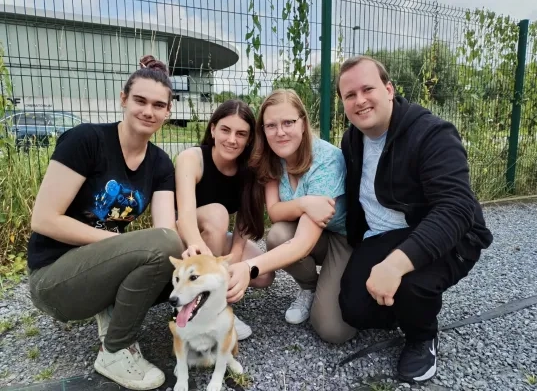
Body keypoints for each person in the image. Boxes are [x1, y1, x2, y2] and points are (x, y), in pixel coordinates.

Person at [26, 55, 183, 391]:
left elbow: (167, 230)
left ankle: (117, 316)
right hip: (55, 278)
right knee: (164, 246)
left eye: (158, 105)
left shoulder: (159, 163)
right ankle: (114, 351)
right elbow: (43, 218)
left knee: (176, 260)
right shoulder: (86, 141)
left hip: (99, 267)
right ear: (123, 99)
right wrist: (120, 246)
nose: (148, 111)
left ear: (168, 112)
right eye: (140, 100)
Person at [335, 55, 494, 383]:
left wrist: (395, 267)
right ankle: (404, 302)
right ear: (343, 103)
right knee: (353, 309)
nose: (360, 100)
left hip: (445, 233)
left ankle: (422, 335)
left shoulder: (432, 134)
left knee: (410, 284)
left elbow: (456, 208)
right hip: (384, 235)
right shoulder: (352, 139)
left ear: (389, 89)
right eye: (350, 95)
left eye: (368, 89)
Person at [219, 88, 357, 345]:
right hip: (314, 236)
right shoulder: (273, 159)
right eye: (271, 125)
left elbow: (303, 242)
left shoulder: (326, 160)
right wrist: (305, 202)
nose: (280, 132)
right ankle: (311, 287)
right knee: (279, 234)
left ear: (303, 122)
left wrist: (248, 267)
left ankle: (347, 284)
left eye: (288, 123)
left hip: (344, 239)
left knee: (332, 330)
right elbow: (274, 211)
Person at [174, 99, 274, 340]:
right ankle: (213, 309)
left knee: (263, 275)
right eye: (225, 130)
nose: (232, 140)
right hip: (185, 239)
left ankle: (211, 295)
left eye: (241, 134)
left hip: (214, 238)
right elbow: (184, 218)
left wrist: (235, 264)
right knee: (218, 213)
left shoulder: (249, 169)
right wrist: (211, 264)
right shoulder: (192, 158)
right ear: (213, 129)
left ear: (250, 139)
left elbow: (243, 223)